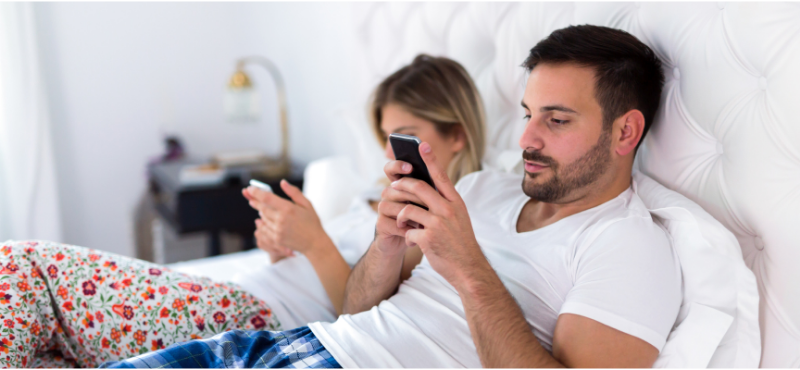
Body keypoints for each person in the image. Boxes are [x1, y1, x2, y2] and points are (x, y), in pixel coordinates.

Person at [103, 24, 682, 369]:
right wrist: (385, 243)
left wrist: (468, 267)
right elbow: (356, 309)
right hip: (291, 345)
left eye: (556, 120)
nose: (526, 139)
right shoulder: (481, 188)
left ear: (625, 131)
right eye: (529, 115)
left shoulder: (630, 246)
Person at [0, 55, 486, 368]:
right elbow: (314, 272)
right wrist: (283, 246)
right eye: (386, 137)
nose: (390, 152)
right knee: (46, 357)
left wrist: (315, 241)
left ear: (457, 133)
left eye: (405, 134)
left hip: (256, 315)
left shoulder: (457, 219)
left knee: (19, 266)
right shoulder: (373, 202)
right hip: (242, 289)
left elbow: (368, 311)